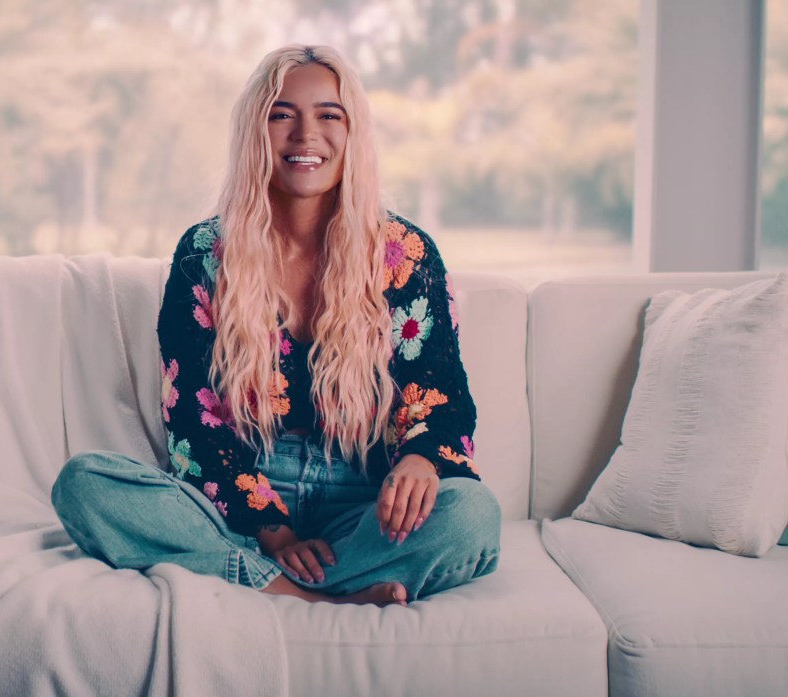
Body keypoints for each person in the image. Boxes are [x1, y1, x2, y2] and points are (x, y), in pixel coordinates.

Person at [51, 45, 500, 607]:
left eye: (328, 115)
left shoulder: (403, 253)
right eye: (282, 114)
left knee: (473, 518)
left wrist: (419, 459)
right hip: (237, 501)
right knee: (85, 485)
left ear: (353, 131)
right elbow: (192, 417)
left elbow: (441, 393)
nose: (305, 133)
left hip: (363, 502)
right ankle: (306, 595)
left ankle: (246, 579)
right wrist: (274, 532)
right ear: (255, 132)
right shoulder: (205, 253)